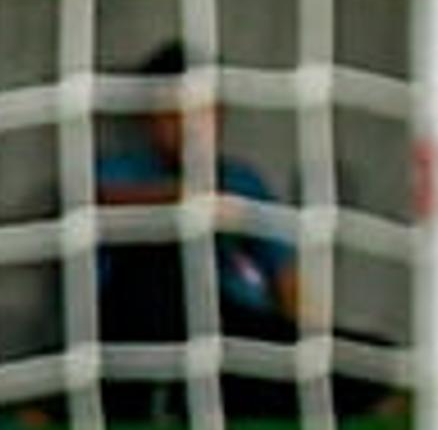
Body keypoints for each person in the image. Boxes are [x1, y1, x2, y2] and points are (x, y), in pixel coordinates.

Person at [94, 42, 314, 361]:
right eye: (173, 115)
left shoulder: (242, 182)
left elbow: (286, 275)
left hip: (229, 330)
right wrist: (199, 202)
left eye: (202, 113)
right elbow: (104, 202)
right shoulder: (118, 173)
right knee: (159, 256)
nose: (188, 128)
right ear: (148, 118)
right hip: (134, 335)